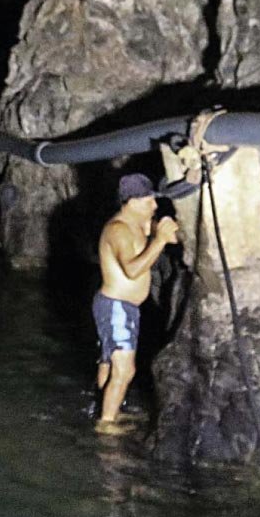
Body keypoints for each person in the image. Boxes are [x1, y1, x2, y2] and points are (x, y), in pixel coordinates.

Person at [92, 173, 179, 433]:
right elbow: (132, 270)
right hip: (115, 306)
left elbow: (170, 237)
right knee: (125, 370)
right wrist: (159, 240)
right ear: (131, 202)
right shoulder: (118, 229)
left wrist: (166, 230)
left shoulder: (140, 222)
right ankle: (106, 423)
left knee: (110, 361)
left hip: (124, 307)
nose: (154, 205)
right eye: (148, 201)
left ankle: (106, 408)